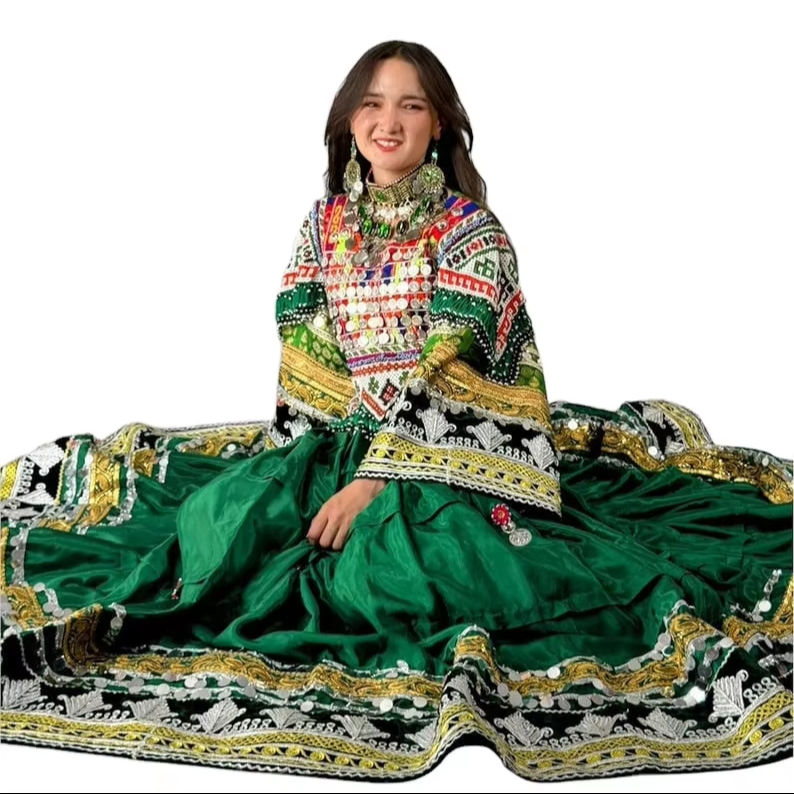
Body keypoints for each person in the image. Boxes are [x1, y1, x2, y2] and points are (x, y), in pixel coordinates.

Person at [0, 40, 790, 783]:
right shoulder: (323, 226)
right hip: (340, 440)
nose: (389, 121)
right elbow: (305, 347)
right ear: (349, 120)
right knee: (222, 525)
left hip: (449, 455)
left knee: (396, 576)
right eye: (373, 103)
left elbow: (452, 370)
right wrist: (310, 467)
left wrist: (377, 479)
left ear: (438, 124)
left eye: (411, 106)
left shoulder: (473, 233)